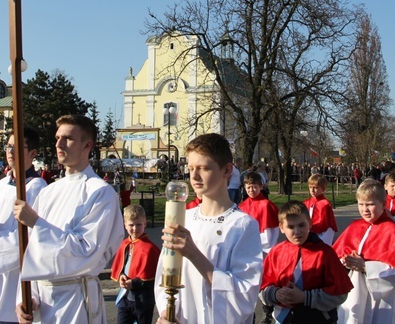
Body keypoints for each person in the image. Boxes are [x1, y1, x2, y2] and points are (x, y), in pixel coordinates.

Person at [13, 115, 123, 324]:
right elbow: (32, 251)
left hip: (75, 300)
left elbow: (85, 252)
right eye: (57, 138)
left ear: (87, 145)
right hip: (42, 304)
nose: (59, 144)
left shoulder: (100, 192)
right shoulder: (48, 192)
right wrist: (28, 297)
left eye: (68, 138)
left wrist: (37, 223)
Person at [154, 133, 263, 324]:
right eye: (190, 168)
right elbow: (164, 276)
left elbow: (244, 294)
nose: (194, 176)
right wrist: (166, 312)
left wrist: (194, 254)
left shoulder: (242, 226)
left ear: (227, 170)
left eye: (203, 168)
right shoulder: (183, 218)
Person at [0, 128, 47, 324]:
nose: (10, 151)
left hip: (16, 274)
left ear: (32, 154)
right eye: (9, 146)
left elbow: (32, 236)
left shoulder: (36, 188)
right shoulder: (2, 185)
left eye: (17, 147)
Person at [333, 179, 395, 324]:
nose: (365, 209)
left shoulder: (393, 231)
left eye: (370, 205)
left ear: (383, 204)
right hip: (355, 292)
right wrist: (345, 262)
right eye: (361, 204)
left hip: (384, 300)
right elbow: (337, 257)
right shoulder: (355, 227)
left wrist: (366, 267)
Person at [259, 201, 353, 323]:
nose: (297, 232)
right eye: (291, 227)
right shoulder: (276, 252)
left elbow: (340, 293)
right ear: (281, 228)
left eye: (301, 225)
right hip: (283, 318)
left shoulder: (325, 253)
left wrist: (305, 297)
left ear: (310, 223)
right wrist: (275, 294)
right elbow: (261, 288)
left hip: (318, 319)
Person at [110, 204, 160, 324]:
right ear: (125, 225)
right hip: (125, 298)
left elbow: (152, 277)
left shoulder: (150, 249)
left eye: (139, 225)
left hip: (143, 301)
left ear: (145, 224)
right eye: (131, 225)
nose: (135, 229)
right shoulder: (125, 244)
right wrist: (121, 275)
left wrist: (134, 283)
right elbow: (122, 266)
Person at [238, 171, 280, 253]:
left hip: (264, 247)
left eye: (254, 187)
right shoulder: (242, 206)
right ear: (245, 187)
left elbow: (271, 232)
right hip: (246, 245)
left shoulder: (266, 205)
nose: (251, 190)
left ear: (260, 187)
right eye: (248, 187)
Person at [302, 174, 338, 245]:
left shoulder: (325, 204)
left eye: (315, 188)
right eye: (310, 187)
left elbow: (328, 227)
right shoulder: (306, 203)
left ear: (323, 189)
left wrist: (324, 242)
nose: (312, 190)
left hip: (320, 238)